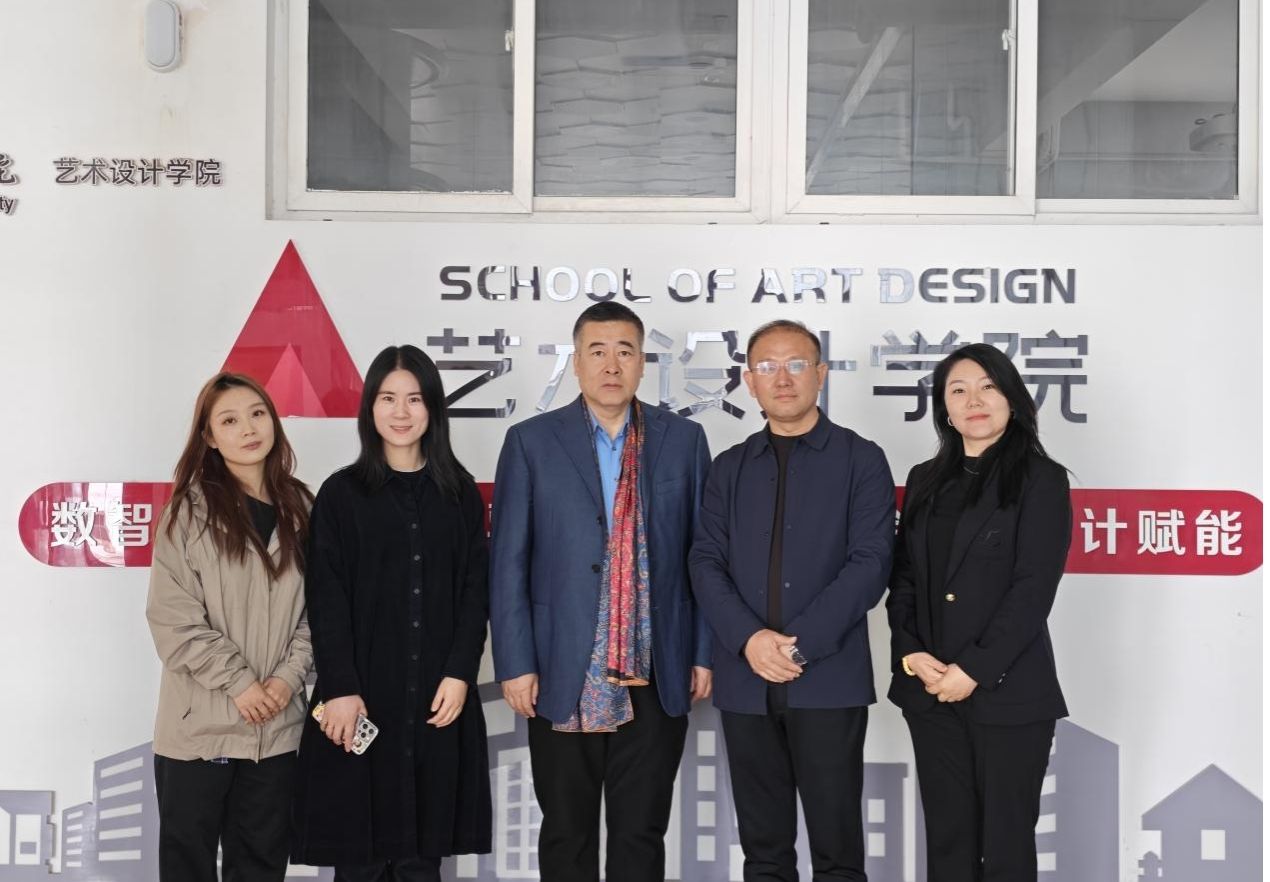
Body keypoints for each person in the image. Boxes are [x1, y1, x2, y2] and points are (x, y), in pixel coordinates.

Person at [489, 301, 713, 882]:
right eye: (597, 351)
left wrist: (702, 652)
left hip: (656, 667)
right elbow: (508, 562)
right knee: (567, 831)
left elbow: (703, 558)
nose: (611, 365)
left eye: (625, 351)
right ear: (577, 362)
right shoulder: (532, 442)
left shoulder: (684, 441)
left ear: (642, 363)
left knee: (641, 832)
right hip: (562, 666)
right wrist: (516, 662)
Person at [689, 319, 895, 882]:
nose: (783, 379)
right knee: (763, 853)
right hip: (745, 682)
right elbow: (705, 562)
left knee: (837, 852)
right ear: (749, 381)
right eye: (767, 366)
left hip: (829, 681)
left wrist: (799, 647)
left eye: (797, 364)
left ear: (821, 374)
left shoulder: (861, 459)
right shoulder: (729, 467)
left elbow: (871, 563)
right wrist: (749, 640)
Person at [292, 345, 490, 882]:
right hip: (361, 698)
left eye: (414, 399)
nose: (401, 412)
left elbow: (475, 592)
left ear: (433, 409)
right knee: (359, 855)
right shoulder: (341, 494)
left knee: (423, 858)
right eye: (387, 398)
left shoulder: (459, 494)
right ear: (370, 408)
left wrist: (459, 673)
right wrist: (340, 687)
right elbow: (326, 598)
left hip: (437, 697)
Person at [886, 342, 1071, 882]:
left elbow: (1033, 588)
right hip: (930, 692)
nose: (974, 401)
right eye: (959, 390)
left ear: (1012, 398)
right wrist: (911, 654)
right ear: (944, 408)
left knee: (1006, 849)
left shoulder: (1041, 479)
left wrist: (974, 669)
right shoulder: (925, 478)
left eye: (988, 387)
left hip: (1008, 693)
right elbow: (904, 577)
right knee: (949, 846)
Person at [147, 372, 315, 882]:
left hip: (276, 731)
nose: (248, 428)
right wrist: (240, 683)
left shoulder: (303, 509)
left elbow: (322, 612)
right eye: (229, 420)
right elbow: (174, 621)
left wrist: (287, 678)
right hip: (199, 733)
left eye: (257, 414)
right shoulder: (186, 514)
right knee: (188, 868)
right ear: (209, 437)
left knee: (261, 868)